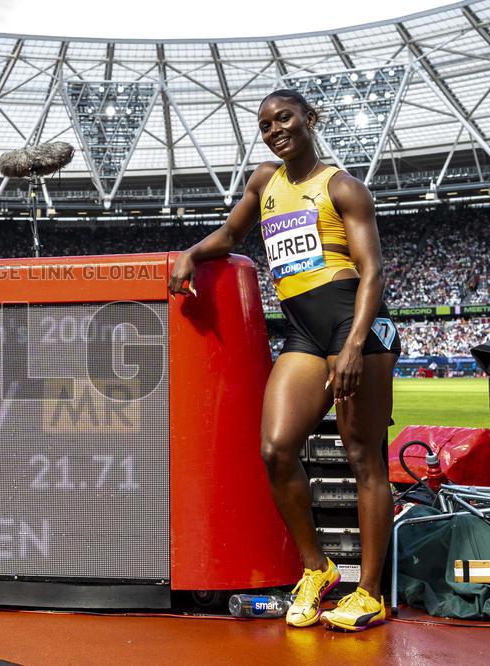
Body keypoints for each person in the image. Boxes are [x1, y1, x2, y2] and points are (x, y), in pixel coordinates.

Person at [169, 89, 401, 632]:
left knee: (363, 456)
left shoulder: (342, 187)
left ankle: (368, 592)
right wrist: (192, 253)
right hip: (302, 328)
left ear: (309, 119)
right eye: (267, 123)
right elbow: (232, 233)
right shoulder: (263, 182)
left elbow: (373, 271)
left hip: (355, 326)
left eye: (286, 118)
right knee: (275, 448)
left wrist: (352, 346)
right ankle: (316, 570)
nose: (276, 129)